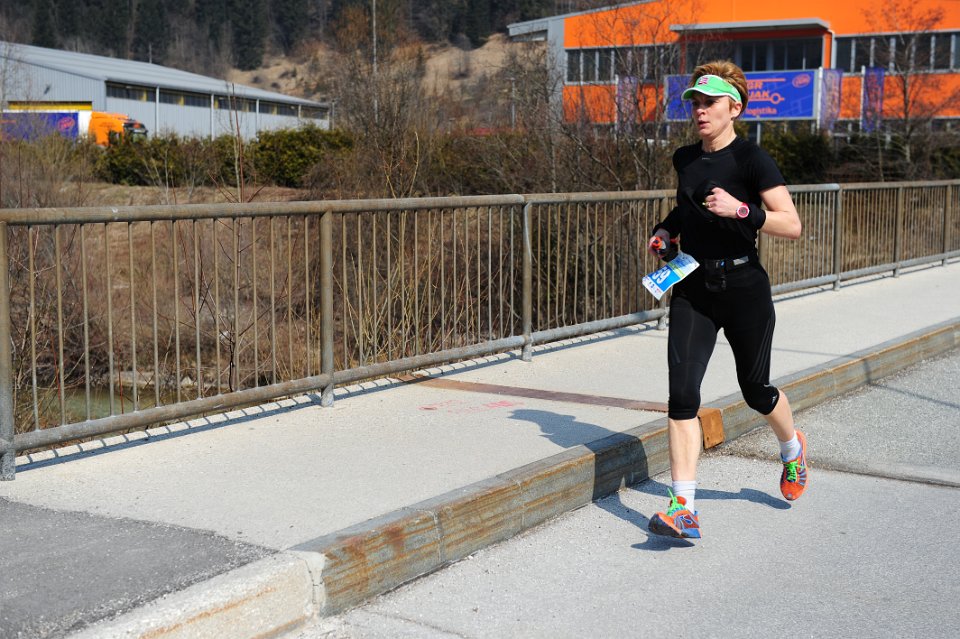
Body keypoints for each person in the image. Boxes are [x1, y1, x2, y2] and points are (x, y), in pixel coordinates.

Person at [645, 60, 807, 539]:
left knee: (755, 391)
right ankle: (683, 507)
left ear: (733, 108)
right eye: (695, 102)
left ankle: (792, 449)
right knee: (682, 396)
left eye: (710, 102)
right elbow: (687, 208)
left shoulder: (752, 159)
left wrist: (741, 211)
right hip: (693, 286)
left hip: (744, 288)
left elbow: (791, 225)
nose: (700, 110)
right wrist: (665, 230)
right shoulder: (685, 158)